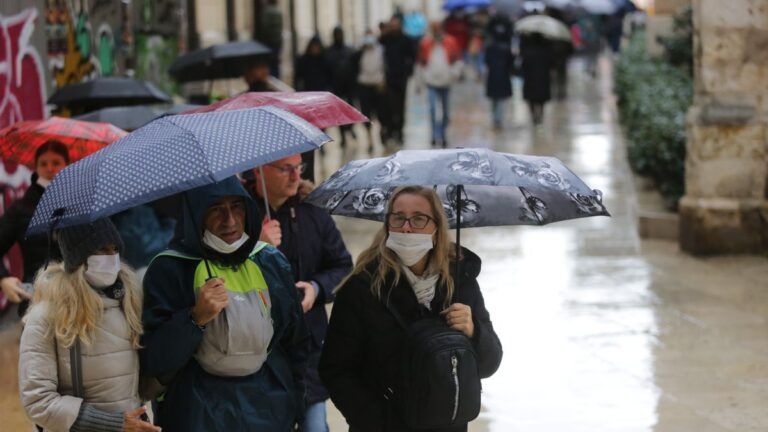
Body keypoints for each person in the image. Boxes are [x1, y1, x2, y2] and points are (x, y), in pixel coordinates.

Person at [319, 186, 503, 432]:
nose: (407, 227)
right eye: (398, 217)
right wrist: (374, 420)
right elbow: (336, 369)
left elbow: (490, 364)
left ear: (436, 228)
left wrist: (474, 331)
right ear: (388, 225)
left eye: (418, 219)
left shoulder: (461, 283)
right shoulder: (362, 287)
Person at [139, 177, 309, 431]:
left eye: (237, 207)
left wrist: (297, 409)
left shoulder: (270, 261)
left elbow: (295, 346)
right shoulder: (169, 269)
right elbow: (155, 361)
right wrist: (195, 318)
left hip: (270, 410)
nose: (229, 220)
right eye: (216, 209)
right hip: (197, 416)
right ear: (196, 214)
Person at [18, 217, 159, 432]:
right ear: (78, 258)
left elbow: (138, 385)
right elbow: (38, 401)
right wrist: (114, 425)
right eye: (102, 250)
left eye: (114, 249)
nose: (111, 258)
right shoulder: (46, 315)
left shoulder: (129, 304)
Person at [249, 154, 353, 432]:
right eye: (285, 169)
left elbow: (343, 266)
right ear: (259, 171)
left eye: (298, 168)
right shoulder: (238, 215)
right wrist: (255, 247)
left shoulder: (313, 210)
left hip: (309, 349)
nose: (296, 176)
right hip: (260, 353)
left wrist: (316, 288)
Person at [0, 140, 68, 306]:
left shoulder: (83, 203)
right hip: (36, 300)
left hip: (79, 300)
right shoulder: (20, 209)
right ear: (36, 168)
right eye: (43, 163)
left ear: (67, 164)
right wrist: (3, 279)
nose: (50, 168)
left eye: (56, 162)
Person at [417, 22, 462, 148]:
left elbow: (457, 60)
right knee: (432, 110)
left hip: (446, 82)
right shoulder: (425, 44)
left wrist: (453, 74)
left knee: (446, 112)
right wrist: (422, 80)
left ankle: (443, 135)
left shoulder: (451, 42)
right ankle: (433, 135)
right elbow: (420, 63)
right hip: (431, 82)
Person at [380, 16, 417, 147]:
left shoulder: (406, 40)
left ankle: (399, 132)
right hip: (388, 78)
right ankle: (390, 130)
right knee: (389, 106)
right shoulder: (385, 39)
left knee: (400, 107)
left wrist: (407, 70)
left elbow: (412, 57)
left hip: (401, 78)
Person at [326, 26, 358, 150]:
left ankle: (351, 129)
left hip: (349, 86)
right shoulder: (329, 52)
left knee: (350, 110)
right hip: (336, 87)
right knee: (338, 114)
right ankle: (343, 135)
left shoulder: (349, 50)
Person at [355, 30, 387, 154]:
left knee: (381, 113)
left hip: (378, 86)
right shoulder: (359, 53)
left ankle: (382, 131)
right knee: (366, 114)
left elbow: (385, 67)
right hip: (364, 86)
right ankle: (370, 140)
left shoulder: (381, 51)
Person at [520, 33, 553, 125]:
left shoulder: (527, 51)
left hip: (530, 79)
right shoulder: (545, 51)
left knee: (531, 99)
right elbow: (551, 64)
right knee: (541, 99)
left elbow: (523, 67)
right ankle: (540, 115)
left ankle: (534, 116)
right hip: (543, 78)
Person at [484, 34, 515, 130]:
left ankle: (496, 119)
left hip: (493, 76)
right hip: (503, 76)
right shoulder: (506, 49)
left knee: (495, 100)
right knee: (500, 100)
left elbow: (486, 61)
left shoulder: (490, 48)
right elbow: (511, 62)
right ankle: (498, 119)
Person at [258, 0, 284, 77]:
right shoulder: (278, 11)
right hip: (277, 41)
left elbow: (264, 27)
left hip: (269, 42)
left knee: (269, 64)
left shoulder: (267, 12)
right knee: (275, 63)